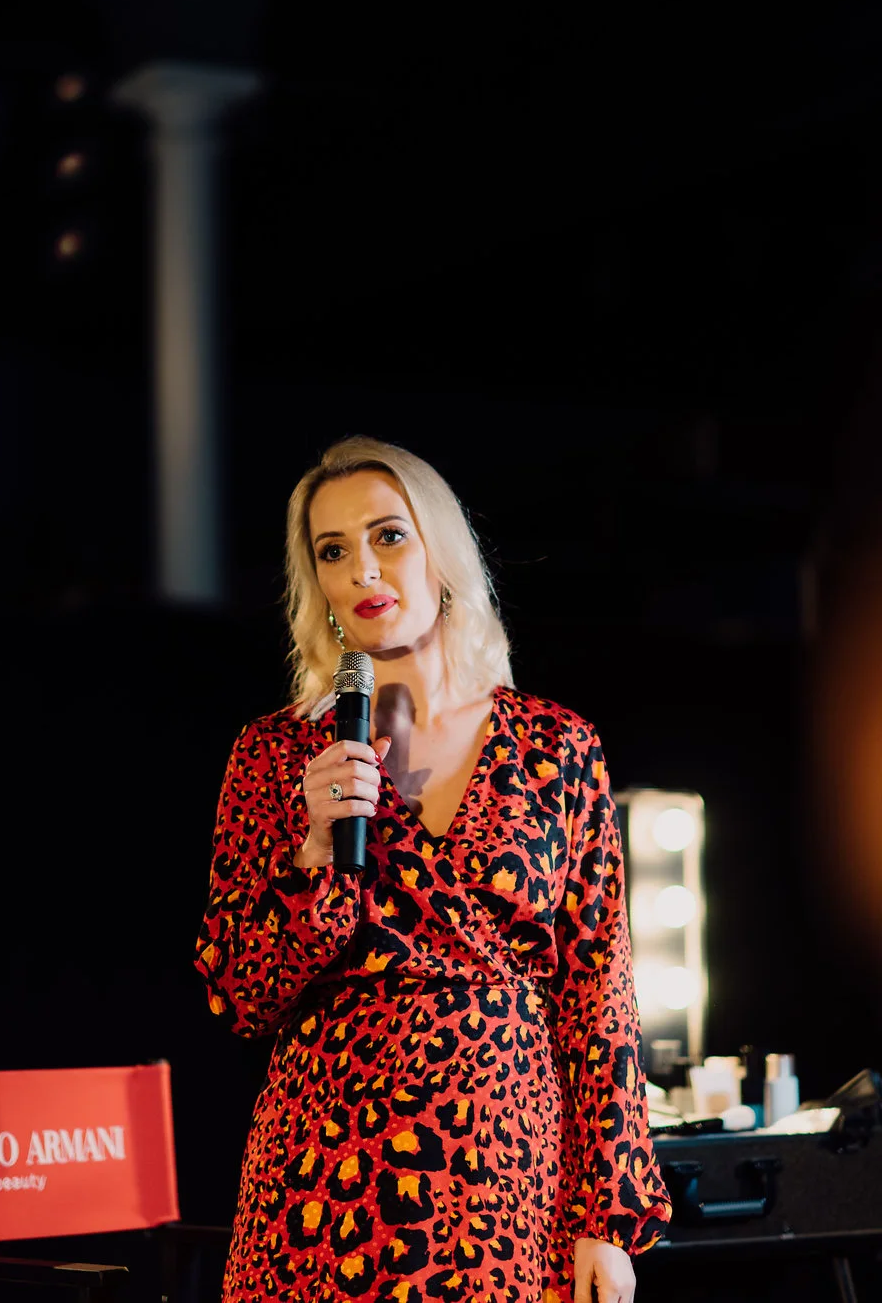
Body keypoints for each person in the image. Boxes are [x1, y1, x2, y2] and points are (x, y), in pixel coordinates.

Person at [194, 436, 671, 1303]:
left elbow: (599, 993)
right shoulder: (275, 755)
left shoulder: (556, 746)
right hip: (321, 1168)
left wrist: (607, 1218)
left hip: (505, 1171)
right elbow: (238, 993)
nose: (363, 570)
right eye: (332, 551)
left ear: (441, 554)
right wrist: (312, 850)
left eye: (388, 536)